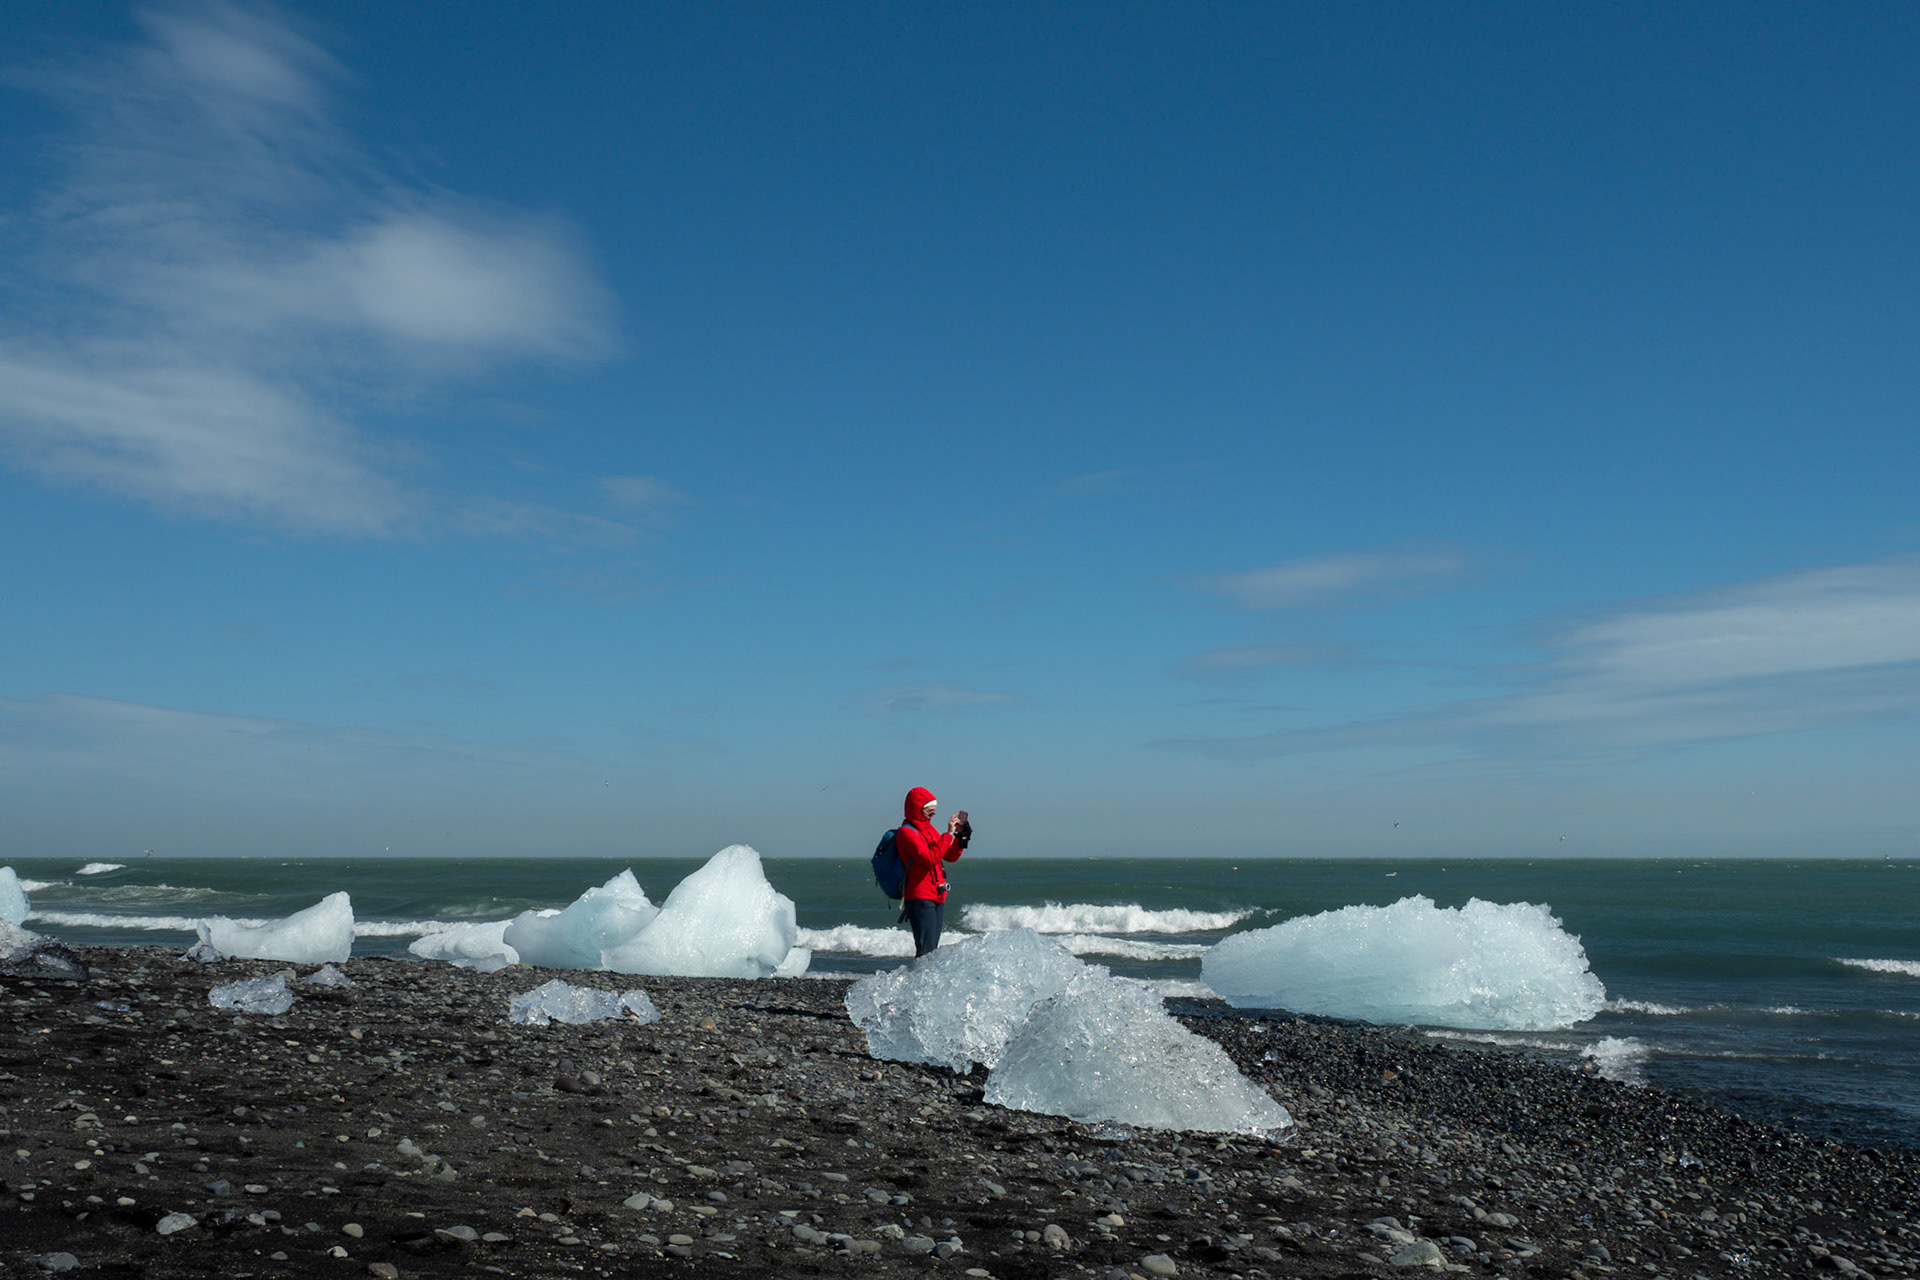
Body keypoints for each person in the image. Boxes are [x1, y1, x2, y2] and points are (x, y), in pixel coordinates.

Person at [896, 785, 968, 956]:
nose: (932, 815)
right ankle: (918, 982)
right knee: (926, 950)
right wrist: (948, 835)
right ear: (917, 809)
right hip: (920, 895)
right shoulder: (906, 833)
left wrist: (961, 836)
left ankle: (921, 981)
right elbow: (928, 859)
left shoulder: (929, 830)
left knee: (932, 951)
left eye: (934, 812)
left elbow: (949, 856)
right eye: (929, 811)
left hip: (937, 894)